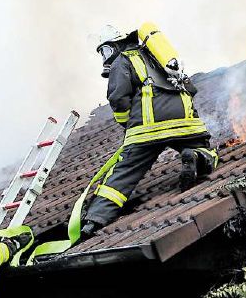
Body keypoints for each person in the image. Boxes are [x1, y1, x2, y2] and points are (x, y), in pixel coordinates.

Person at [81, 24, 219, 237]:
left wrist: (128, 125)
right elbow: (190, 88)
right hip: (185, 121)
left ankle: (94, 220)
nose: (106, 57)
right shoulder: (157, 56)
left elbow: (118, 98)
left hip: (148, 126)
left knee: (124, 173)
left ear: (118, 44)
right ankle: (196, 157)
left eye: (107, 50)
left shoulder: (122, 61)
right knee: (204, 150)